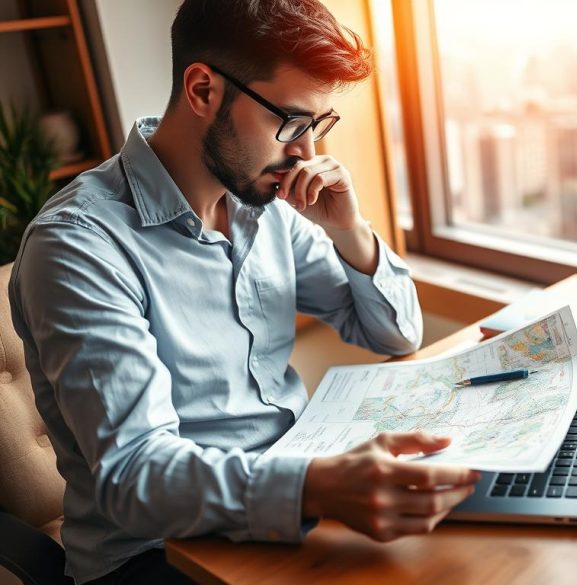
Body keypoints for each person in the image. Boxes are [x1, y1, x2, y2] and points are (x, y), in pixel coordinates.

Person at [8, 1, 480, 583]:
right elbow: (135, 476)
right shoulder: (79, 246)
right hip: (156, 555)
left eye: (318, 126)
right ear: (203, 90)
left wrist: (349, 231)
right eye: (292, 122)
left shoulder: (264, 206)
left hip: (294, 502)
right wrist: (318, 485)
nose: (308, 154)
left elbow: (396, 331)